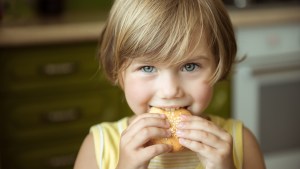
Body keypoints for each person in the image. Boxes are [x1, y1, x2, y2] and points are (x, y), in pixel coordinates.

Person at [74, 0, 266, 169]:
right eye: (148, 68)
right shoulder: (98, 147)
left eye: (190, 66)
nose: (170, 91)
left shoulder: (241, 143)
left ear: (219, 63)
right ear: (117, 70)